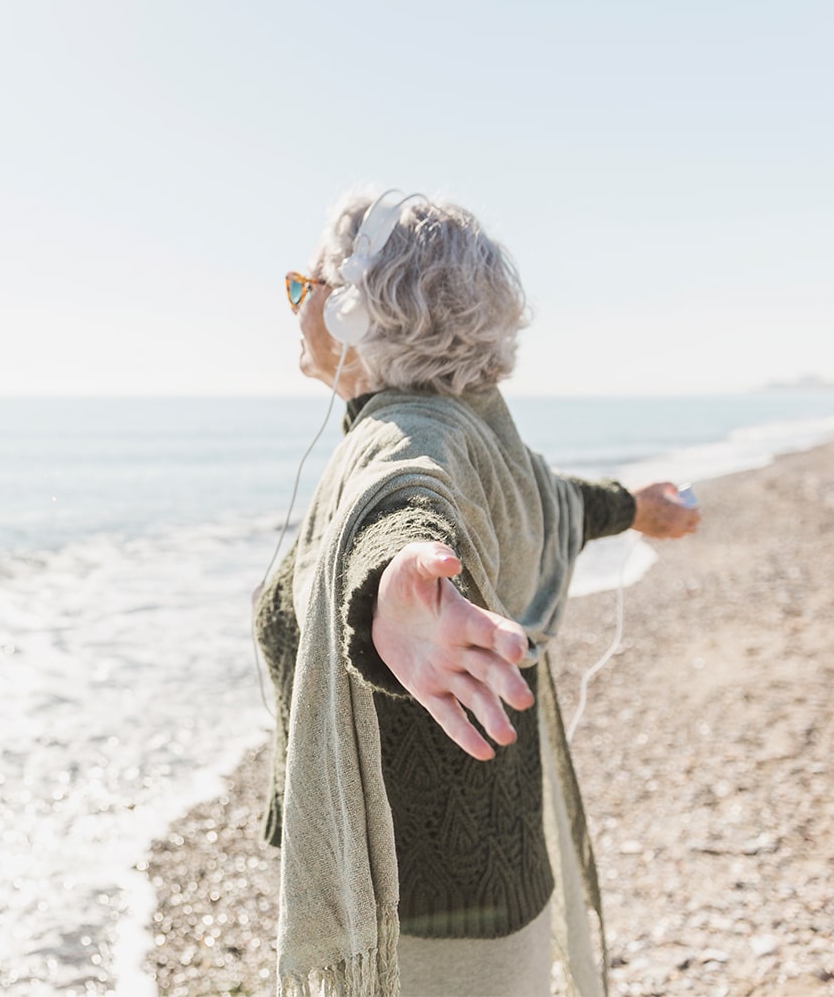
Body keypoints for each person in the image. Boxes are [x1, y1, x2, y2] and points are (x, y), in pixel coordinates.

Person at [254, 189, 699, 997]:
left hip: (420, 904)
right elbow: (550, 495)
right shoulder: (476, 430)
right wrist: (638, 508)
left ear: (355, 311)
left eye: (302, 287)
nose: (293, 308)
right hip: (495, 864)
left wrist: (393, 583)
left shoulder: (407, 436)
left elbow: (406, 504)